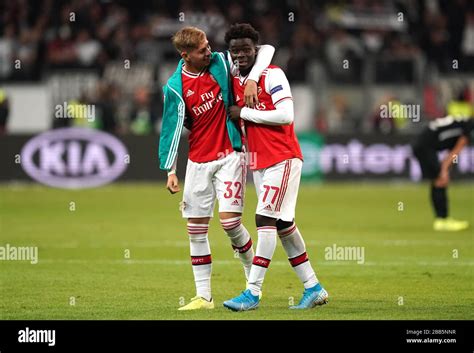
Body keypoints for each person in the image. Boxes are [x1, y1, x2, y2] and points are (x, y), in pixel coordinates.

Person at [158, 26, 275, 310]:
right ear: (186, 55)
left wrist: (252, 80)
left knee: (230, 223)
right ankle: (204, 297)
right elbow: (171, 129)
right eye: (202, 50)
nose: (209, 51)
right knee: (196, 230)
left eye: (208, 45)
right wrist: (170, 170)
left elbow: (268, 50)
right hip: (198, 160)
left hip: (230, 155)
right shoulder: (175, 86)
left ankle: (252, 284)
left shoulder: (222, 62)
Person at [222, 23, 328, 311]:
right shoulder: (236, 75)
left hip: (282, 156)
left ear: (255, 49)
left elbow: (285, 114)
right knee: (283, 225)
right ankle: (313, 287)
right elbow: (262, 50)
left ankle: (252, 292)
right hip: (259, 161)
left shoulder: (273, 74)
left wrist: (243, 111)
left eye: (246, 49)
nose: (241, 55)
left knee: (264, 220)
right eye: (235, 51)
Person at [413, 115, 473, 231]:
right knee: (441, 180)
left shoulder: (463, 122)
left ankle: (442, 219)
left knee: (438, 180)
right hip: (425, 147)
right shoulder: (469, 127)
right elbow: (456, 151)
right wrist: (444, 169)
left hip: (422, 144)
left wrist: (444, 167)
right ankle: (442, 220)